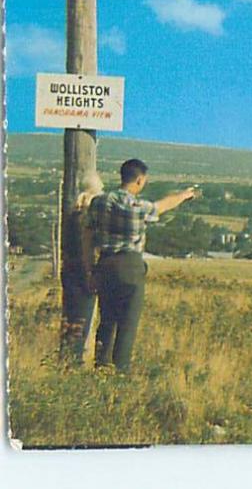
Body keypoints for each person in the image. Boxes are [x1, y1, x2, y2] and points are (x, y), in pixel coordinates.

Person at [87, 158, 198, 371]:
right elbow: (163, 206)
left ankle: (100, 367)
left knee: (107, 320)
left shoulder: (98, 202)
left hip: (105, 264)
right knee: (127, 324)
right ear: (139, 180)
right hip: (130, 267)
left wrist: (91, 269)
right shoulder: (137, 206)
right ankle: (121, 371)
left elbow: (88, 236)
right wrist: (183, 196)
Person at [59, 171, 104, 365]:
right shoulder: (88, 220)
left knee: (70, 319)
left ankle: (67, 358)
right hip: (83, 273)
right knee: (81, 320)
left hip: (68, 270)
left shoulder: (72, 214)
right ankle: (74, 361)